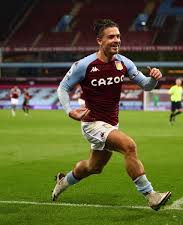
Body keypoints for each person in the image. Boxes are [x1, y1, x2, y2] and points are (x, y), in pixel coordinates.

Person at [53, 19, 171, 211]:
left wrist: (153, 79)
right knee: (129, 146)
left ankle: (63, 181)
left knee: (94, 167)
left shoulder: (124, 63)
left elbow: (146, 86)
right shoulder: (85, 65)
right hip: (92, 123)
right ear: (100, 40)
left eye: (118, 36)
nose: (116, 40)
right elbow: (63, 87)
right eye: (111, 37)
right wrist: (69, 110)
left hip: (110, 124)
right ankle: (151, 195)